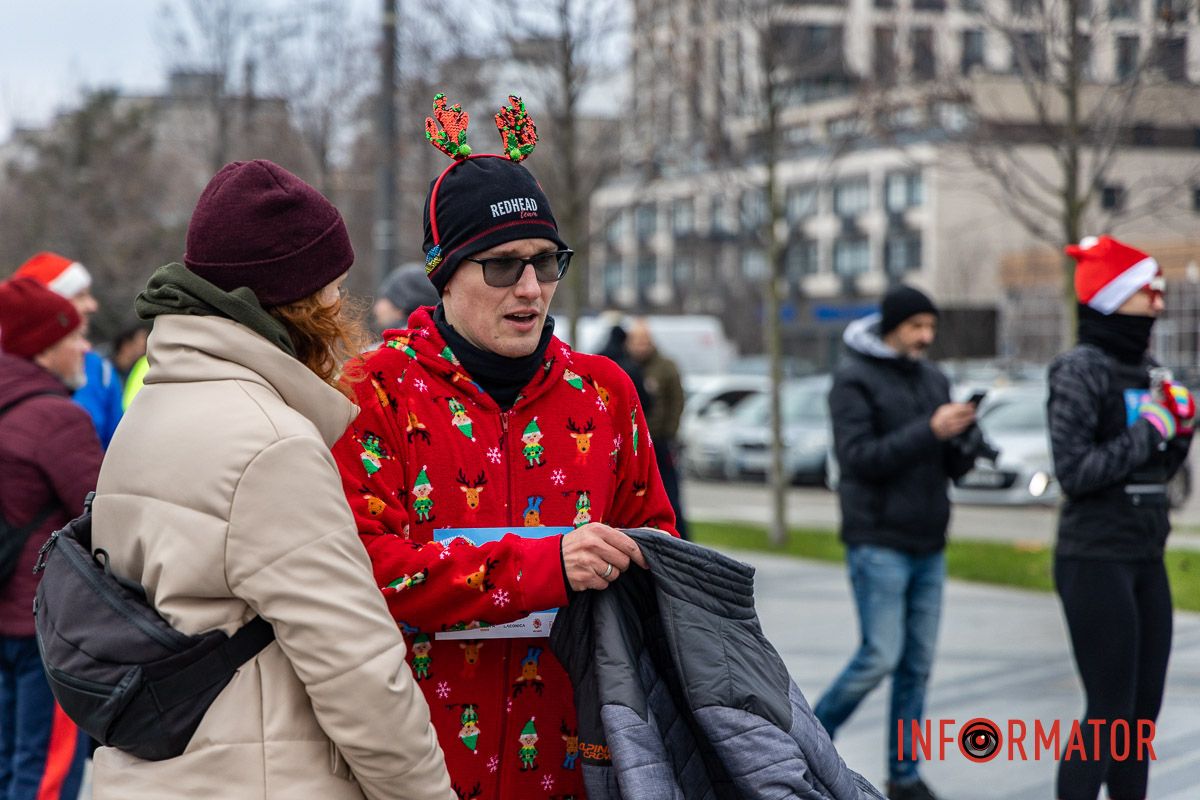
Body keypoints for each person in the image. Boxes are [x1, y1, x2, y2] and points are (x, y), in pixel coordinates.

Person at [332, 94, 677, 799]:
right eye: (501, 267)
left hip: (576, 757)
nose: (530, 288)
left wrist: (629, 561)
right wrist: (546, 563)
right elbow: (369, 570)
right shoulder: (376, 389)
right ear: (445, 273)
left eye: (548, 263)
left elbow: (660, 544)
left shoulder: (605, 392)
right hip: (417, 762)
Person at [88, 159, 452, 800]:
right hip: (257, 778)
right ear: (296, 303)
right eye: (334, 287)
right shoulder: (271, 445)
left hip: (151, 771)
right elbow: (357, 672)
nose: (344, 306)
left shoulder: (151, 409)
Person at [814, 285, 977, 800]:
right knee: (880, 656)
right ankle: (806, 742)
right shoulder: (852, 380)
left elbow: (947, 462)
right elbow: (859, 458)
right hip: (878, 538)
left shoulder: (933, 377)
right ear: (892, 326)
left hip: (929, 539)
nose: (926, 337)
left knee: (917, 665)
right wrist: (930, 430)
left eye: (931, 327)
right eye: (916, 327)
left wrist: (964, 439)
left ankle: (904, 776)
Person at [1047, 236, 1191, 800]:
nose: (1159, 304)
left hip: (1145, 554)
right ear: (1112, 297)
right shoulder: (1079, 369)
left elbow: (1162, 472)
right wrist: (1148, 430)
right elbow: (1075, 471)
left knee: (1140, 718)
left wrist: (1179, 432)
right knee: (1108, 714)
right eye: (1147, 292)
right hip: (1095, 557)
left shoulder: (1151, 370)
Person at [0, 276, 102, 800]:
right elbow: (103, 515)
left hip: (5, 619)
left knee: (8, 762)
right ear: (44, 346)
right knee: (45, 773)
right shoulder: (55, 420)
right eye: (74, 336)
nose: (84, 346)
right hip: (45, 627)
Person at [14, 252, 125, 449]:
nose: (92, 305)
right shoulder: (9, 369)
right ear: (48, 306)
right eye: (80, 295)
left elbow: (119, 453)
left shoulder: (101, 371)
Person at [626, 318, 689, 539]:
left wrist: (668, 433)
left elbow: (677, 402)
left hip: (660, 441)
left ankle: (681, 542)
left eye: (643, 342)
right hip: (635, 446)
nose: (639, 347)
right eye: (636, 342)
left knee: (671, 496)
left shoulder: (665, 367)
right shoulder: (626, 367)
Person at [374, 263, 439, 333]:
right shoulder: (440, 339)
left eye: (384, 298)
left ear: (400, 306)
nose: (376, 309)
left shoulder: (393, 342)